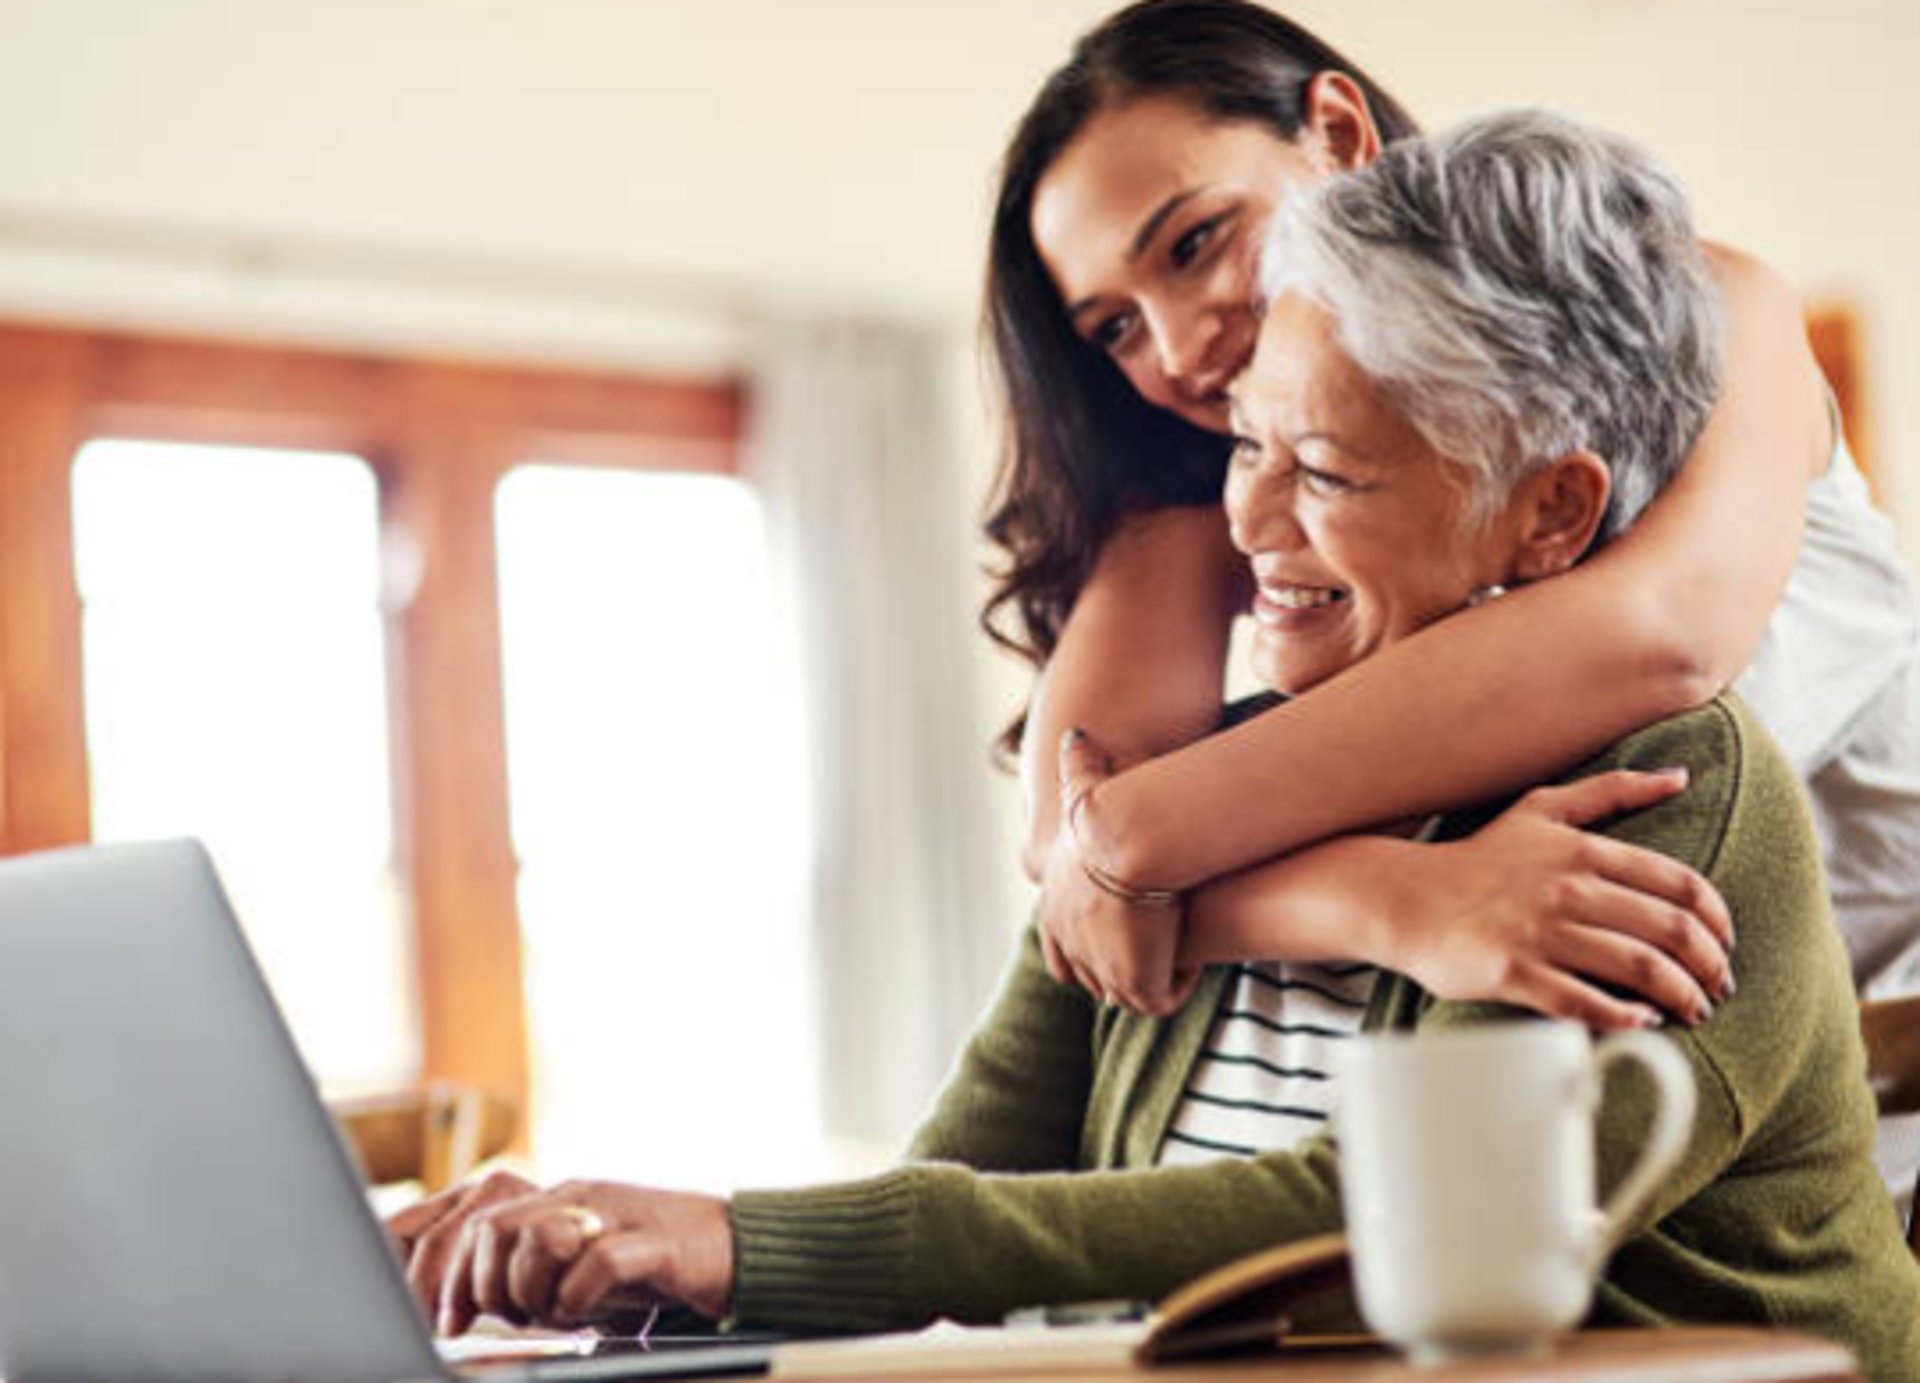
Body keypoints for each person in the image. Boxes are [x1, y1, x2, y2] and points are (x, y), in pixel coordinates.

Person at [393, 110, 1920, 1382]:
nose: (1247, 524)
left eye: (1323, 469)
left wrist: (744, 1239)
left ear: (1551, 514)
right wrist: (633, 1258)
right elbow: (976, 1170)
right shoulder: (1225, 777)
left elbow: (1362, 1241)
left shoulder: (1666, 794)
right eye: (1244, 442)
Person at [985, 0, 1920, 1211]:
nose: (1176, 347)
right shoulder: (1218, 474)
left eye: (1195, 243)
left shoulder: (1709, 309)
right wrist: (1393, 901)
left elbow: (1661, 639)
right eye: (1113, 327)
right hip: (1598, 1111)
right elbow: (1071, 848)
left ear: (1334, 130)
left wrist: (1139, 848)